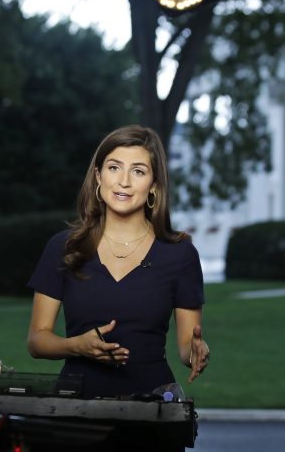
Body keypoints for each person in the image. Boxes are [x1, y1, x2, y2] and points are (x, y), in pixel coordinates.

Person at [26, 124, 210, 400]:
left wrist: (194, 351)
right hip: (75, 407)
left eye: (138, 171)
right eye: (114, 168)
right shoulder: (64, 247)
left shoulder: (180, 254)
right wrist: (77, 346)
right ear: (98, 176)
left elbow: (186, 345)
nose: (124, 181)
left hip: (152, 407)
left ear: (154, 185)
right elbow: (37, 340)